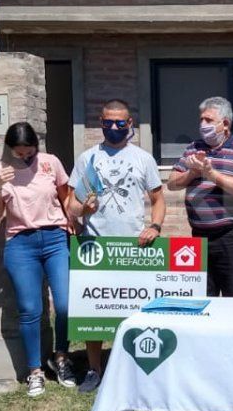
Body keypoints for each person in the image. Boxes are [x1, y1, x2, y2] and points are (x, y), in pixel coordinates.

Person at [66, 99, 165, 392]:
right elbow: (72, 205)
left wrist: (155, 227)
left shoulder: (143, 159)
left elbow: (158, 200)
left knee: (135, 310)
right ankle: (94, 369)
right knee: (93, 311)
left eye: (120, 123)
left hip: (134, 247)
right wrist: (84, 210)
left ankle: (135, 368)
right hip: (94, 246)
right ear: (100, 122)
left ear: (130, 124)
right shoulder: (87, 159)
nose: (114, 127)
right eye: (108, 122)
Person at [0, 122, 76, 397]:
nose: (25, 157)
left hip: (55, 238)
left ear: (37, 146)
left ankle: (61, 357)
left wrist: (75, 218)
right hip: (21, 244)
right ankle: (35, 371)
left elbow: (66, 197)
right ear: (9, 149)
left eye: (29, 152)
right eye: (19, 153)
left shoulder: (50, 162)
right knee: (29, 309)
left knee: (65, 304)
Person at [166, 96, 233, 297]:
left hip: (232, 235)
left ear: (225, 124)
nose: (202, 124)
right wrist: (193, 172)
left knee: (232, 294)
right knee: (204, 295)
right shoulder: (194, 147)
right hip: (199, 235)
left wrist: (211, 174)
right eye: (201, 119)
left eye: (208, 120)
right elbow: (172, 183)